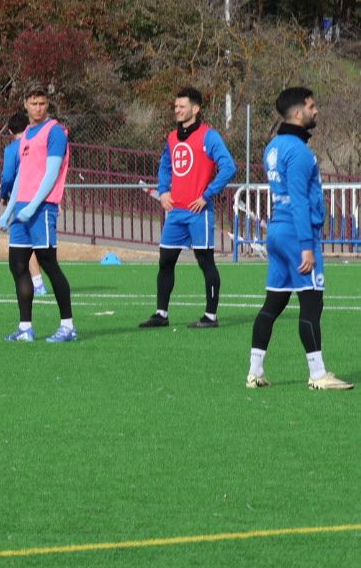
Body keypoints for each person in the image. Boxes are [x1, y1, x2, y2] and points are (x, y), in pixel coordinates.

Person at [246, 87, 350, 390]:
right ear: (297, 112)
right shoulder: (300, 152)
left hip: (277, 231)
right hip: (296, 234)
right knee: (311, 304)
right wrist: (307, 247)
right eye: (311, 106)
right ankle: (318, 375)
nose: (316, 111)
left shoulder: (273, 147)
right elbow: (300, 200)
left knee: (273, 303)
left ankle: (255, 372)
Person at [139, 87, 237, 330]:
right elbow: (165, 165)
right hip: (175, 212)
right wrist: (164, 191)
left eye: (182, 106)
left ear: (196, 108)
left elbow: (229, 167)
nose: (177, 110)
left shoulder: (209, 136)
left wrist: (207, 195)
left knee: (205, 262)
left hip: (198, 213)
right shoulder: (172, 137)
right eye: (175, 107)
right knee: (165, 261)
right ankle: (161, 314)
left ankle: (211, 316)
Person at [0, 87, 75, 343]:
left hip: (42, 209)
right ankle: (25, 328)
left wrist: (33, 205)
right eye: (33, 103)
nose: (38, 108)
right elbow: (21, 176)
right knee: (18, 265)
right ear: (26, 104)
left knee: (48, 264)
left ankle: (68, 326)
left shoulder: (55, 132)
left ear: (47, 104)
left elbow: (51, 173)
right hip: (22, 209)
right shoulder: (27, 134)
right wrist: (10, 210)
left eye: (42, 103)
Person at [0, 111, 46, 298]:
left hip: (23, 198)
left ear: (10, 131)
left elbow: (8, 176)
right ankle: (37, 281)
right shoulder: (35, 144)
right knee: (37, 242)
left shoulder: (12, 149)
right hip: (40, 196)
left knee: (23, 243)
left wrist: (4, 194)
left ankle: (37, 283)